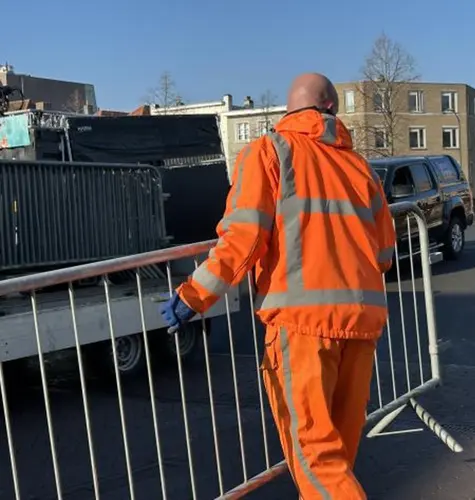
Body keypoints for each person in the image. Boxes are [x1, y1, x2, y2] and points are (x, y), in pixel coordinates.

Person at [159, 72, 396, 499]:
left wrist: (191, 296)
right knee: (336, 457)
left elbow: (243, 239)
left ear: (289, 111)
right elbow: (384, 254)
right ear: (331, 112)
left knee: (316, 457)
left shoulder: (270, 151)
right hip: (361, 326)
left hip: (302, 326)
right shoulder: (362, 169)